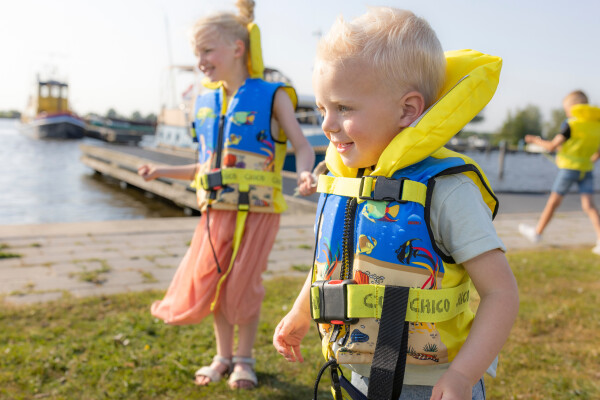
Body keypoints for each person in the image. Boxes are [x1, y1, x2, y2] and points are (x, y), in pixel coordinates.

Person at [272, 7, 519, 400]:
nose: (326, 124)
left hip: (429, 384)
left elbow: (501, 293)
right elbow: (331, 261)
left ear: (408, 109)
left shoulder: (446, 191)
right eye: (322, 109)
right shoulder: (345, 181)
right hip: (350, 376)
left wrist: (461, 376)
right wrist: (302, 312)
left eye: (344, 108)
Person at [138, 0, 315, 390]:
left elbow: (303, 147)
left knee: (243, 284)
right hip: (215, 210)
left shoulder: (272, 95)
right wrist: (161, 171)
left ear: (237, 48)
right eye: (196, 53)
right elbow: (204, 166)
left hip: (258, 211)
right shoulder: (203, 101)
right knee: (217, 283)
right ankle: (223, 356)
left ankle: (245, 359)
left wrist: (304, 175)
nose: (200, 60)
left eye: (206, 50)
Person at [519, 90, 600, 255]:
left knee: (553, 202)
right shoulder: (596, 125)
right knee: (589, 206)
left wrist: (534, 140)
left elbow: (551, 146)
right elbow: (596, 151)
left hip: (569, 169)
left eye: (567, 109)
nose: (566, 112)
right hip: (586, 170)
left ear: (574, 107)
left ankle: (537, 233)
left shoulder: (571, 124)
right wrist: (589, 160)